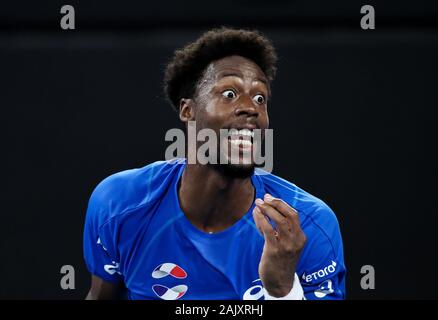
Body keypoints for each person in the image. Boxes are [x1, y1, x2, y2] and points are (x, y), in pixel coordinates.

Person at [83, 27, 346, 300]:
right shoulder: (119, 203)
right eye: (230, 93)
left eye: (260, 98)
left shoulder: (308, 225)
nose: (251, 107)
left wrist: (283, 291)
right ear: (188, 110)